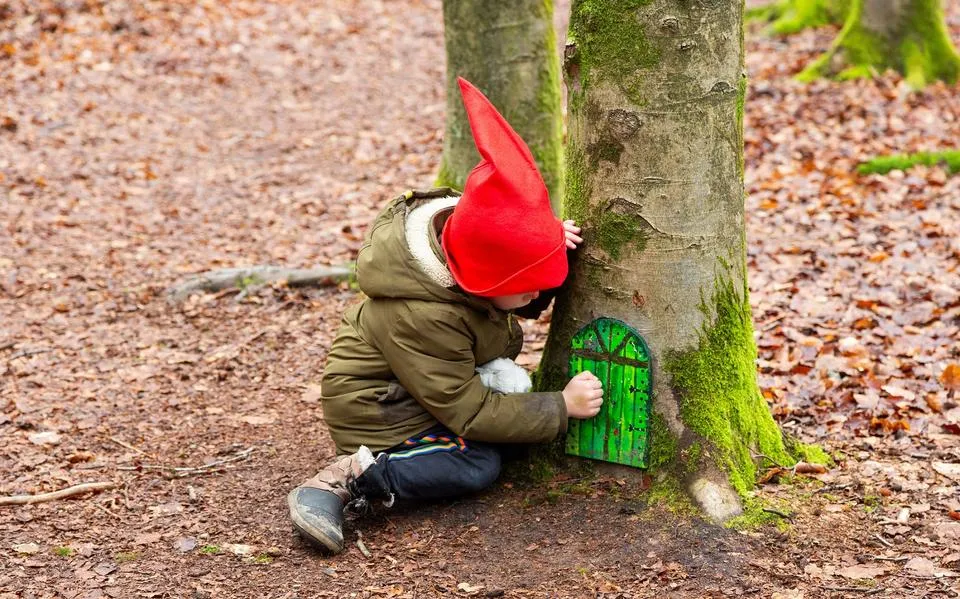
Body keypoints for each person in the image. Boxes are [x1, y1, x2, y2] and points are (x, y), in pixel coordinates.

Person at [287, 77, 604, 553]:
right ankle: (348, 477)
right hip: (383, 415)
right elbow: (470, 410)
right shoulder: (422, 315)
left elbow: (501, 295)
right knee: (477, 463)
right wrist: (559, 407)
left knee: (507, 437)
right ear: (484, 283)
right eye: (528, 287)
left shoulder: (466, 260)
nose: (539, 293)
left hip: (427, 391)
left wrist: (541, 248)